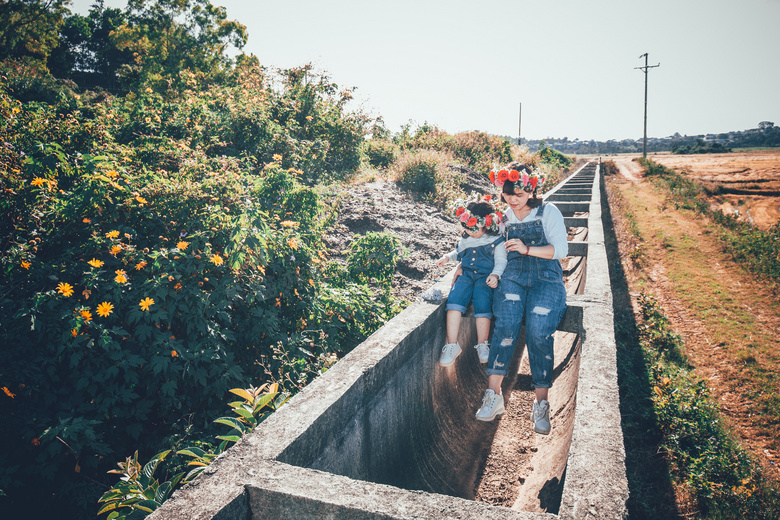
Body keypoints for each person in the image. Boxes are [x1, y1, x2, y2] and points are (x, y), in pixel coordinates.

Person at [474, 163, 568, 435]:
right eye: (507, 194)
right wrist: (472, 267)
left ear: (531, 189)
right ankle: (493, 396)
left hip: (546, 278)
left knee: (539, 331)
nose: (513, 200)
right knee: (506, 325)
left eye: (518, 194)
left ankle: (541, 404)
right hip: (513, 275)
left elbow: (561, 249)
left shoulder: (548, 212)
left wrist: (527, 248)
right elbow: (492, 247)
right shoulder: (505, 217)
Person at [436, 194, 507, 367]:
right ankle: (452, 345)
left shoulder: (495, 241)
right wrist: (447, 258)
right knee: (454, 302)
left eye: (474, 229)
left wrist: (496, 275)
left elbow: (501, 261)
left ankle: (482, 344)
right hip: (466, 275)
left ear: (486, 225)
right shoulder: (466, 239)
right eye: (467, 229)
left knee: (482, 302)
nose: (470, 233)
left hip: (485, 277)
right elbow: (458, 253)